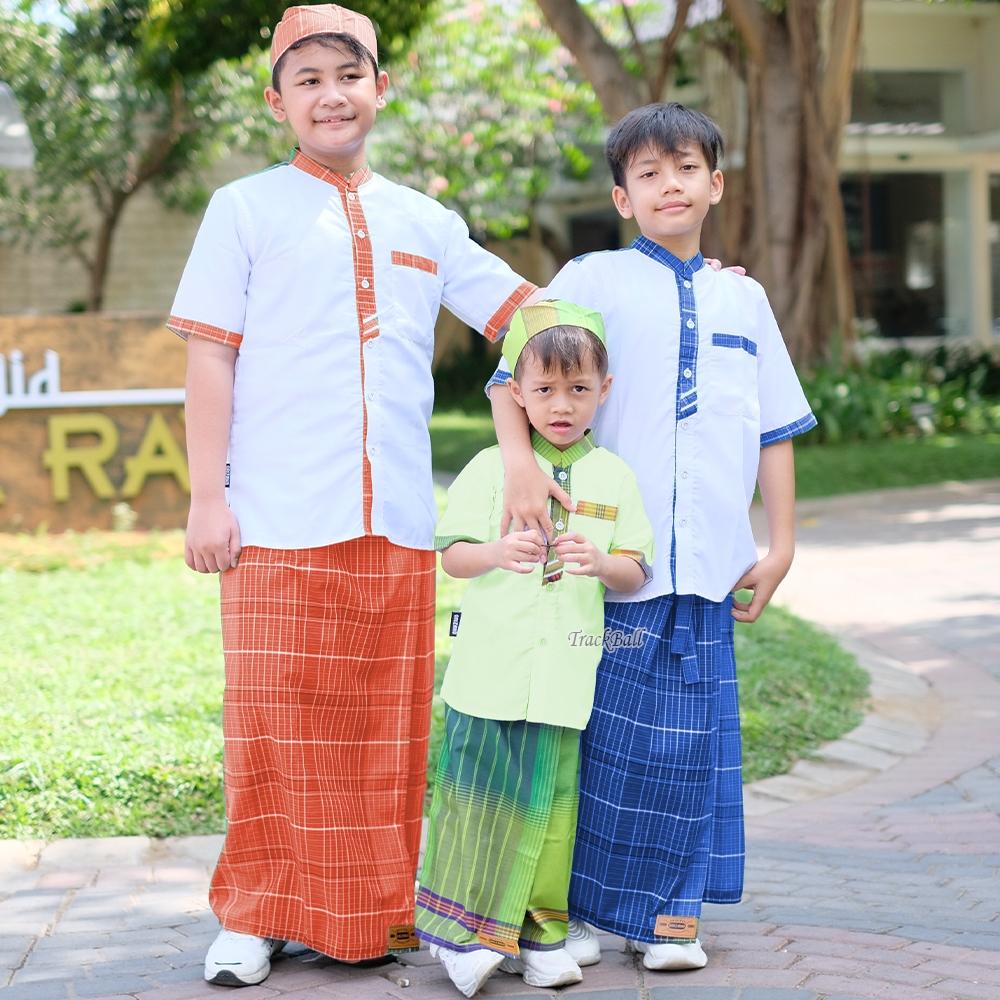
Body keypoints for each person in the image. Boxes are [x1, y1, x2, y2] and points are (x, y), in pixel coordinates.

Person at [169, 3, 540, 986]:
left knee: (382, 729)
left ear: (381, 86)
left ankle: (374, 911)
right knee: (272, 724)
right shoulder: (243, 209)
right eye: (308, 79)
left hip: (398, 524)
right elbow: (210, 357)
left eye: (349, 74)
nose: (331, 94)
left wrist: (685, 272)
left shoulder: (427, 220)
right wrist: (208, 497)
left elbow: (532, 319)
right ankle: (253, 914)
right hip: (276, 518)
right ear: (277, 100)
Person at [486, 103, 817, 972]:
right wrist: (523, 474)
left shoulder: (743, 295)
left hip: (708, 562)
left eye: (685, 167)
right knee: (601, 738)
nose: (669, 183)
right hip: (606, 562)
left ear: (716, 182)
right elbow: (506, 377)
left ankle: (674, 915)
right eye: (647, 173)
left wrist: (778, 543)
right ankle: (587, 909)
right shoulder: (589, 279)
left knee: (691, 742)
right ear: (622, 197)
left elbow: (775, 429)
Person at [416, 301, 655, 997]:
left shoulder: (615, 477)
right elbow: (452, 557)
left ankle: (541, 934)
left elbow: (636, 568)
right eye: (544, 389)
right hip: (490, 671)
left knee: (551, 809)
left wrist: (602, 563)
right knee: (476, 797)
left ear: (603, 391)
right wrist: (497, 550)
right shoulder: (492, 468)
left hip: (563, 678)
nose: (561, 405)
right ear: (514, 392)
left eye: (578, 389)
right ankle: (463, 934)